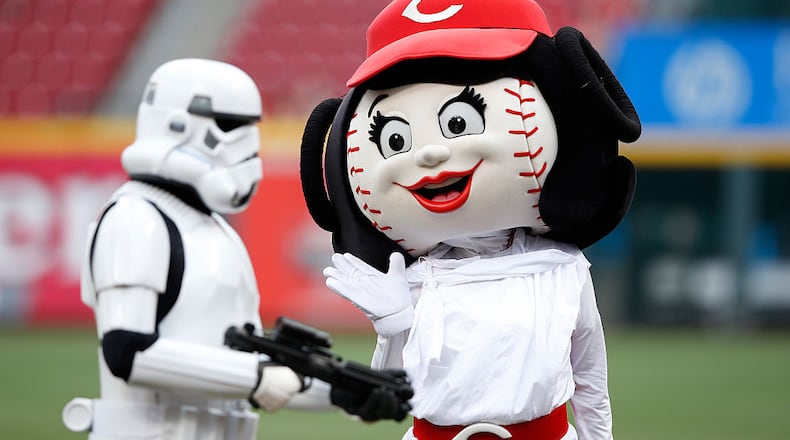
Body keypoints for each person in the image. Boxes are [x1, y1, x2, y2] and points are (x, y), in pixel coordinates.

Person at [299, 0, 641, 439]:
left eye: (457, 122)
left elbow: (590, 378)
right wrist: (392, 329)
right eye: (396, 138)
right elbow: (377, 403)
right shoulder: (411, 281)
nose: (428, 154)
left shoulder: (563, 267)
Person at [63, 58, 407, 440]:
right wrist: (255, 377)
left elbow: (239, 365)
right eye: (229, 125)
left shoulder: (211, 231)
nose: (245, 143)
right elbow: (127, 351)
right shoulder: (136, 218)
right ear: (174, 124)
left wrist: (342, 394)